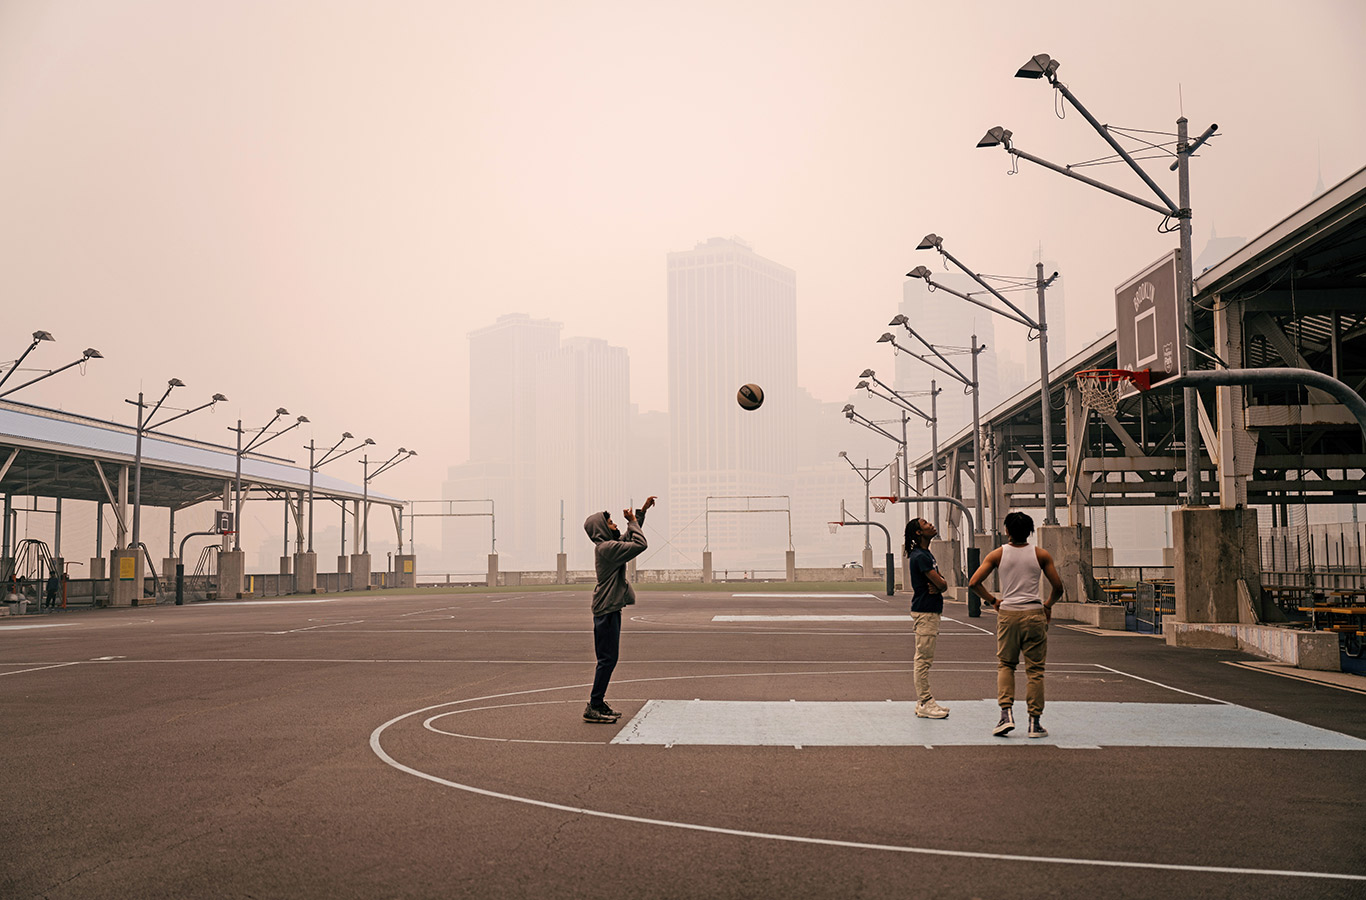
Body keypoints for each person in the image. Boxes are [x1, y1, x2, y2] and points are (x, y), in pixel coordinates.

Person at [968, 511, 1064, 738]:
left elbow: (974, 582)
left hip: (1008, 613)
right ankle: (1035, 722)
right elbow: (1058, 587)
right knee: (1035, 670)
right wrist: (1047, 605)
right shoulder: (1041, 555)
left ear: (1007, 530)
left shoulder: (998, 554)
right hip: (1034, 612)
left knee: (1006, 665)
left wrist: (993, 601)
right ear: (1030, 532)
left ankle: (1005, 714)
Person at [582, 496, 655, 723]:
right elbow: (639, 544)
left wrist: (639, 515)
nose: (615, 524)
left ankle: (598, 702)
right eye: (611, 522)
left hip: (609, 607)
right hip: (606, 609)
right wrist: (632, 520)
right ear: (602, 528)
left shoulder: (608, 547)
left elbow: (629, 538)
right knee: (607, 659)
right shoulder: (606, 549)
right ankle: (594, 706)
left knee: (609, 658)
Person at [905, 517, 950, 719]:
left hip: (930, 610)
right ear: (918, 532)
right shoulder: (920, 557)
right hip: (926, 612)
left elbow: (941, 583)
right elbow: (940, 585)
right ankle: (925, 701)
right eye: (925, 524)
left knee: (925, 659)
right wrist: (941, 584)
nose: (931, 524)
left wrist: (942, 583)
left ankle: (924, 701)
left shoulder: (926, 554)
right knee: (923, 660)